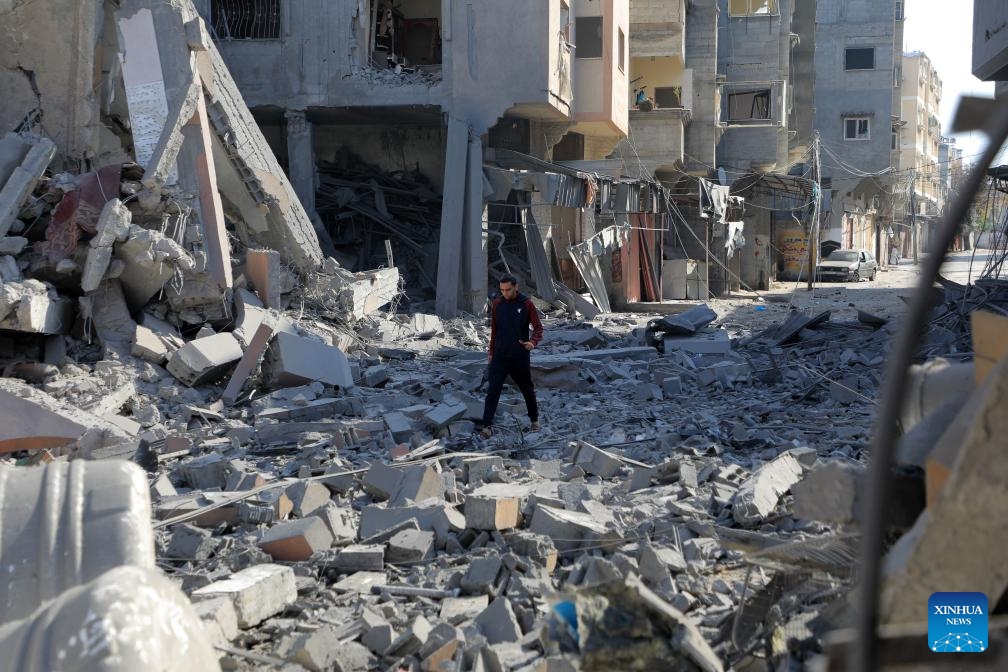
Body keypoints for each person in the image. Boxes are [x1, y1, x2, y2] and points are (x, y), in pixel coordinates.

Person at [479, 275, 543, 438]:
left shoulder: (526, 304)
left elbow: (538, 328)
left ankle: (534, 421)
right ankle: (486, 426)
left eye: (508, 290)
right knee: (493, 390)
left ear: (516, 287)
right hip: (500, 356)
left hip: (519, 356)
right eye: (502, 290)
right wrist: (491, 352)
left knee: (527, 389)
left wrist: (532, 343)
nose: (505, 293)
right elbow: (494, 330)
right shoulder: (497, 304)